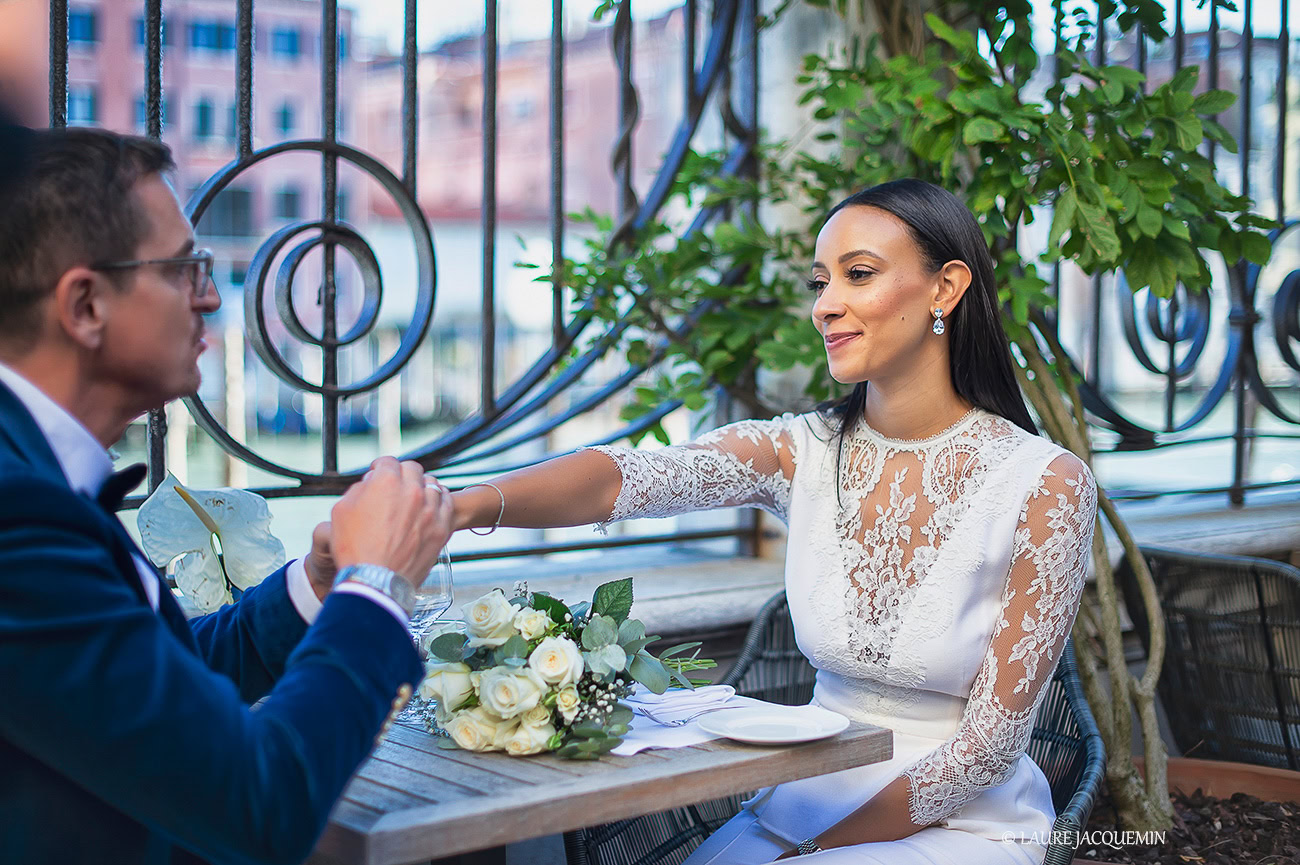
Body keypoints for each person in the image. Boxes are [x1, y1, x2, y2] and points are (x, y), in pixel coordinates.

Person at [450, 179, 1098, 864]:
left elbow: (987, 751)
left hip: (959, 826)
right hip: (794, 804)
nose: (826, 306)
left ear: (946, 287)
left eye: (858, 275)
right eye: (821, 282)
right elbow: (628, 477)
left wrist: (815, 850)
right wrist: (458, 507)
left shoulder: (1045, 483)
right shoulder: (801, 451)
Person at [0, 127, 452, 865]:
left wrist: (316, 588)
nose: (210, 297)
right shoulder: (16, 513)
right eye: (183, 268)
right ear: (84, 305)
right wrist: (377, 589)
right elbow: (259, 803)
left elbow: (151, 691)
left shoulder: (29, 474)